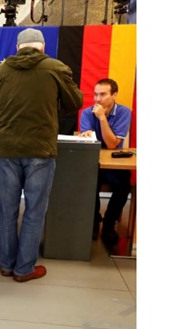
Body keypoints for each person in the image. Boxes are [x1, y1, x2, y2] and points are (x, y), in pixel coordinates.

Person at [0, 28, 83, 282]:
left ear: (18, 48)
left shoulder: (0, 71)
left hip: (7, 149)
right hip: (41, 149)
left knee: (6, 209)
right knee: (34, 210)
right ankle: (24, 268)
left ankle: (6, 264)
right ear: (42, 47)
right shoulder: (55, 67)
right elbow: (75, 101)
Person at [79, 78, 132, 245]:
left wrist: (102, 119)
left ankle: (109, 223)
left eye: (103, 95)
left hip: (114, 164)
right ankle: (94, 221)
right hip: (93, 163)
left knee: (123, 185)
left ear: (114, 95)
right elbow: (87, 140)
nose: (97, 99)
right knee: (89, 182)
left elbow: (111, 145)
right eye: (95, 95)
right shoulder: (87, 113)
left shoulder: (124, 112)